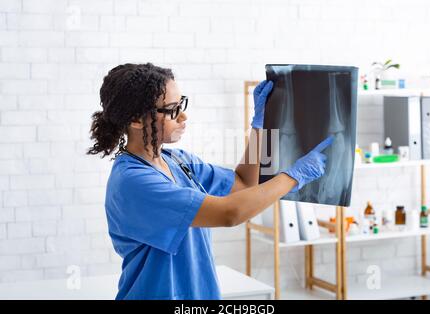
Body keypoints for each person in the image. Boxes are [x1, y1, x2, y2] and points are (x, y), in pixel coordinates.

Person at [87, 63, 333, 300]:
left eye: (181, 104)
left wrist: (262, 127)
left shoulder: (178, 161)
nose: (182, 116)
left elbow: (243, 183)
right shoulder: (133, 182)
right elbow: (230, 213)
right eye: (172, 109)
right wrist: (294, 176)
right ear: (136, 120)